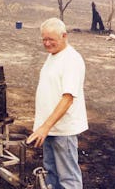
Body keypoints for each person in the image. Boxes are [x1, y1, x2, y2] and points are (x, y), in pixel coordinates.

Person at [26, 18, 88, 189]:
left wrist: (45, 127)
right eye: (44, 39)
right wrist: (44, 127)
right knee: (51, 174)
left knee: (68, 178)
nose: (46, 43)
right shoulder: (53, 56)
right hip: (49, 129)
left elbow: (68, 98)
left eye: (51, 39)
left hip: (63, 130)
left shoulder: (71, 60)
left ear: (64, 36)